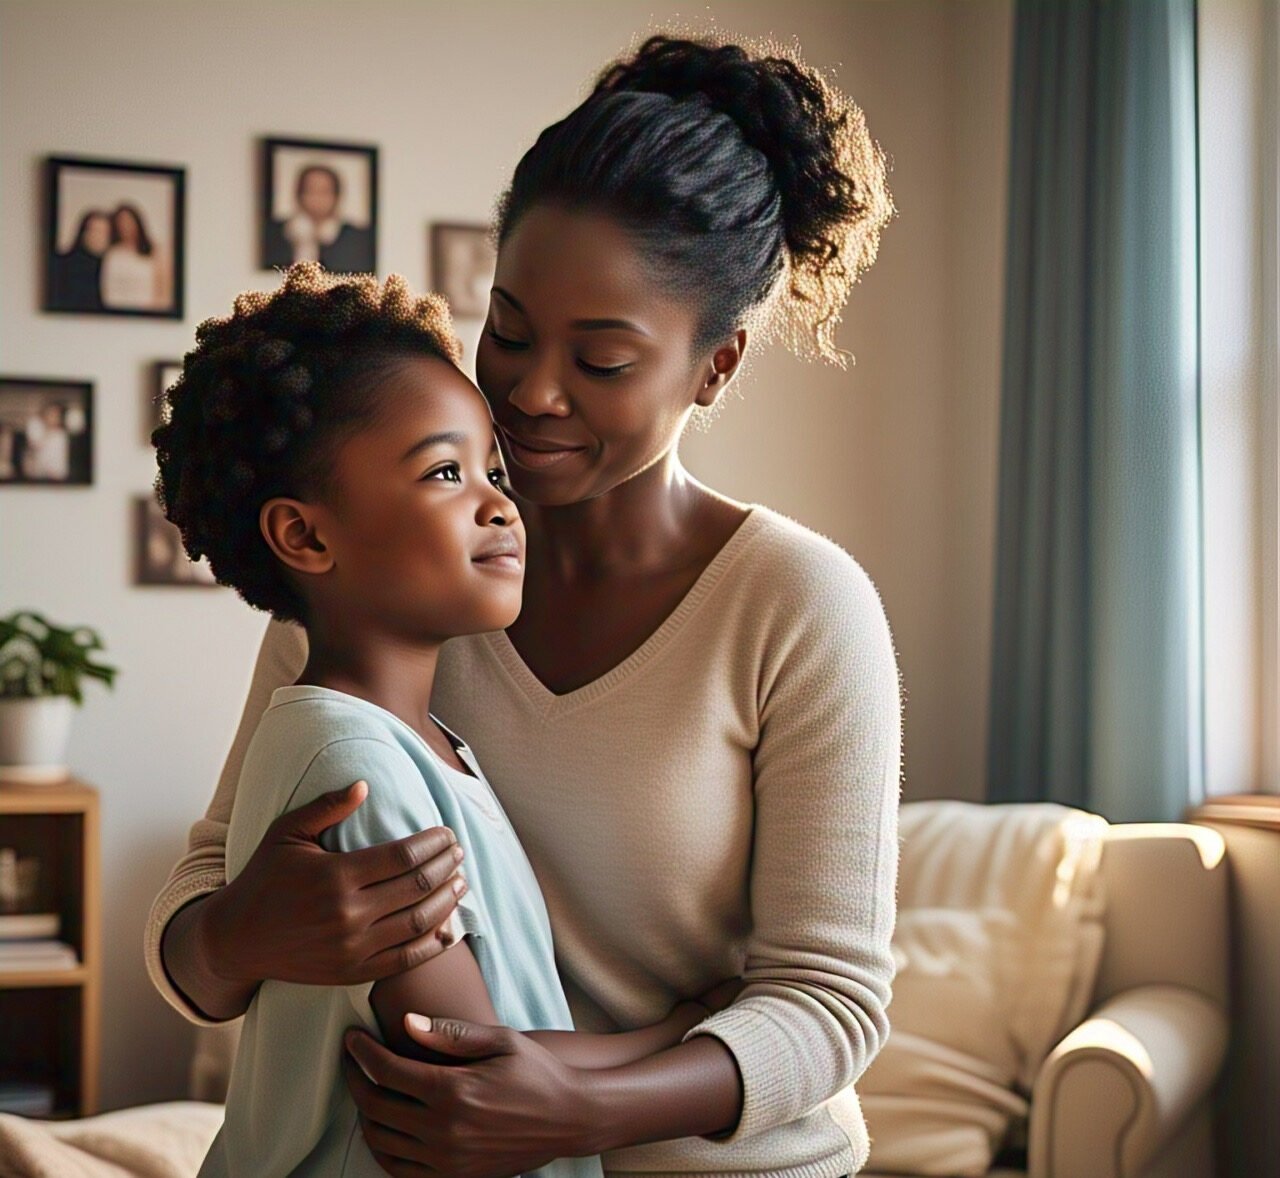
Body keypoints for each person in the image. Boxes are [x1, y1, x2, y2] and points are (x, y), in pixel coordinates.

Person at [147, 33, 902, 1178]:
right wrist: (244, 931)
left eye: (600, 360)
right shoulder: (380, 570)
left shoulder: (795, 605)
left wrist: (580, 1105)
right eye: (506, 329)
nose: (531, 393)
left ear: (714, 365)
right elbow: (211, 890)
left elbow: (831, 1001)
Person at [153, 262, 742, 1177]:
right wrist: (671, 1034)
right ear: (306, 537)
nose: (501, 502)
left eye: (493, 469)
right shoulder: (351, 762)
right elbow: (468, 1059)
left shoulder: (425, 745)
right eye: (445, 472)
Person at [264, 163, 374, 272]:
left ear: (336, 196)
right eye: (310, 190)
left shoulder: (357, 238)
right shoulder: (276, 231)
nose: (317, 198)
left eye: (324, 191)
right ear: (299, 194)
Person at [101, 204, 161, 310]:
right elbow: (107, 288)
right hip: (117, 312)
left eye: (129, 222)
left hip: (148, 311)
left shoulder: (153, 251)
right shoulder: (112, 253)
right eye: (121, 223)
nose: (125, 227)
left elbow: (161, 287)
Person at [49, 209, 111, 311]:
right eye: (95, 230)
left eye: (105, 232)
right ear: (83, 233)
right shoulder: (63, 263)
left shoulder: (111, 266)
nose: (99, 237)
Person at [21, 402, 70, 481]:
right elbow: (34, 446)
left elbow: (61, 460)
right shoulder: (39, 430)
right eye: (50, 414)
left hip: (57, 475)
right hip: (40, 474)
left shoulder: (61, 435)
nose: (53, 417)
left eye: (56, 415)